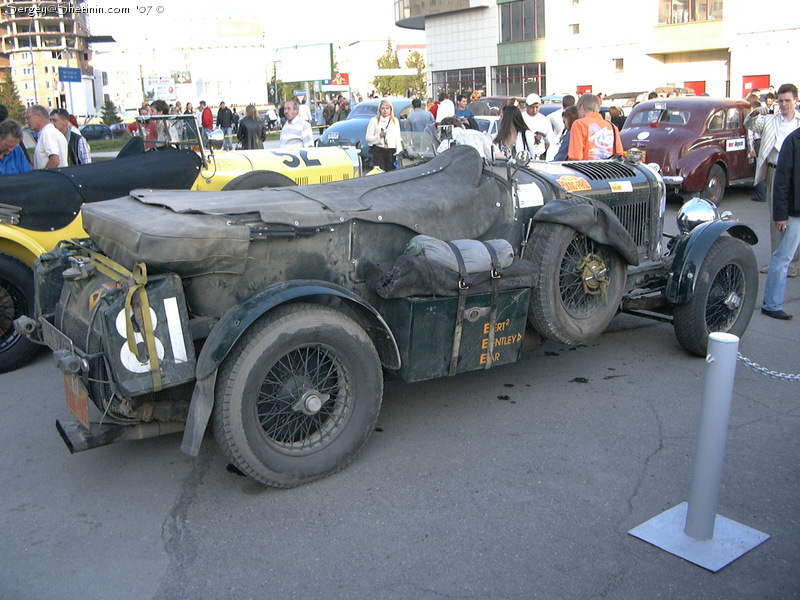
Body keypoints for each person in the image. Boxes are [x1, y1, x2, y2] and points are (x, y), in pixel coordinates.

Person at [744, 83, 800, 276]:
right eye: (781, 101)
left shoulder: (799, 122)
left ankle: (794, 263)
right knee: (777, 218)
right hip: (776, 172)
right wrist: (754, 113)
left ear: (796, 101)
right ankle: (777, 260)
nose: (784, 104)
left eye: (788, 101)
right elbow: (749, 125)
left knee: (797, 218)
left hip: (798, 173)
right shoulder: (769, 120)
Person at [760, 125, 800, 320]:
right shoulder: (793, 141)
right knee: (783, 258)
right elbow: (782, 181)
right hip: (794, 213)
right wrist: (780, 214)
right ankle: (771, 304)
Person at [567, 93, 623, 160]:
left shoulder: (579, 124)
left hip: (586, 169)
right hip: (608, 169)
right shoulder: (612, 126)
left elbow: (575, 156)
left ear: (581, 107)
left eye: (578, 110)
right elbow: (619, 154)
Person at [24, 104, 68, 169]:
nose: (26, 121)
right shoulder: (54, 132)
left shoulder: (47, 133)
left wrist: (43, 176)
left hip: (52, 178)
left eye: (28, 117)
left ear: (39, 116)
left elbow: (55, 160)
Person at [365, 99, 403, 171]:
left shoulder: (395, 120)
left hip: (391, 152)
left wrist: (399, 151)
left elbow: (398, 137)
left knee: (391, 174)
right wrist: (379, 136)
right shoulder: (374, 120)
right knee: (379, 173)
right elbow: (368, 137)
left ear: (390, 109)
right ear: (379, 109)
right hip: (378, 151)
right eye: (383, 108)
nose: (385, 110)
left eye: (387, 108)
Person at [521, 93, 555, 158]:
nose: (534, 110)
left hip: (540, 154)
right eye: (532, 107)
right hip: (523, 155)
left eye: (537, 107)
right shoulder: (520, 118)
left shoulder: (544, 120)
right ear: (526, 106)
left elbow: (550, 139)